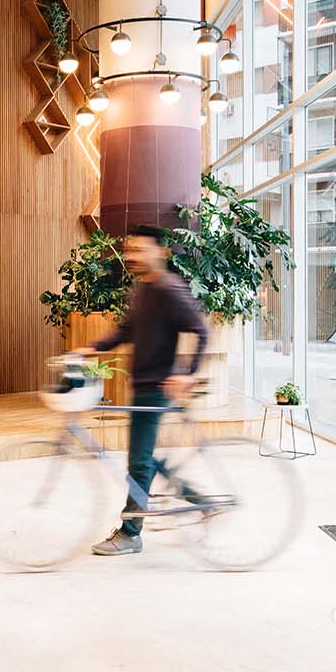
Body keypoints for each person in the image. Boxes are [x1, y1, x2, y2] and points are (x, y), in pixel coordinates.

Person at [73, 225, 209, 556]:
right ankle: (197, 499)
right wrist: (88, 350)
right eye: (130, 249)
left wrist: (188, 374)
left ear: (159, 252)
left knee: (138, 463)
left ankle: (131, 532)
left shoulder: (169, 289)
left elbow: (200, 330)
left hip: (157, 388)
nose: (131, 255)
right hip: (142, 387)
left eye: (139, 249)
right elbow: (125, 331)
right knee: (144, 459)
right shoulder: (144, 290)